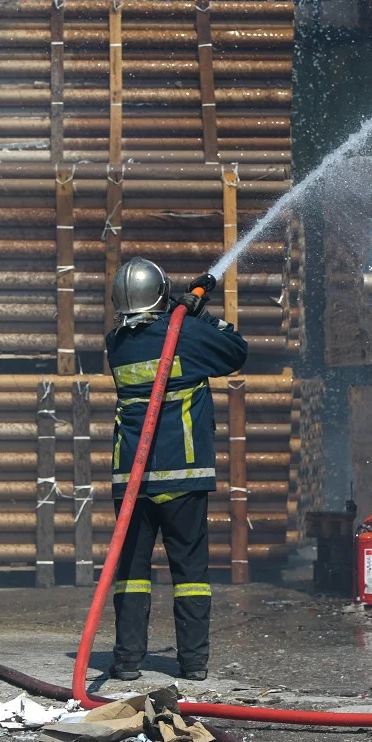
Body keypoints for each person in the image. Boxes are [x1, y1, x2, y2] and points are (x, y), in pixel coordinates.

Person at [104, 258, 247, 681]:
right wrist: (203, 314)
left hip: (132, 478)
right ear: (162, 294)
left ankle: (127, 661)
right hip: (182, 474)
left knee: (130, 573)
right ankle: (193, 664)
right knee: (190, 574)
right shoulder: (184, 334)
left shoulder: (116, 344)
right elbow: (236, 353)